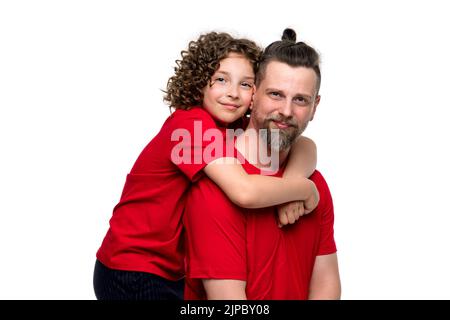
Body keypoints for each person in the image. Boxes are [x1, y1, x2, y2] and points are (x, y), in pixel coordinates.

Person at [94, 31, 320, 300]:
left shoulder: (229, 127)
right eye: (221, 80)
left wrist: (291, 182)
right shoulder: (190, 127)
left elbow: (305, 146)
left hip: (173, 271)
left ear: (256, 92)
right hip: (132, 268)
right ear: (200, 82)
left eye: (245, 84)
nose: (233, 93)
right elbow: (244, 191)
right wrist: (304, 190)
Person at [184, 28, 341, 300]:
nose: (287, 111)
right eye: (276, 95)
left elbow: (326, 284)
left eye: (300, 100)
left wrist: (297, 186)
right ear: (253, 93)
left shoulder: (313, 184)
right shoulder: (216, 187)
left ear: (315, 106)